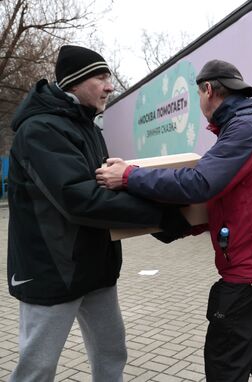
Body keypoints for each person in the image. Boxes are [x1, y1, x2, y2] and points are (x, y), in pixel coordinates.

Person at [96, 59, 252, 381]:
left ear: (207, 90)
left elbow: (200, 183)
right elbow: (239, 197)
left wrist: (129, 177)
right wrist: (195, 223)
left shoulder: (244, 128)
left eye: (197, 95)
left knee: (225, 356)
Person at [7, 45, 189, 381]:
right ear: (74, 83)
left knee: (111, 351)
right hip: (52, 272)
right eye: (101, 77)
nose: (110, 85)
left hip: (95, 268)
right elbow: (81, 199)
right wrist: (162, 216)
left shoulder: (88, 127)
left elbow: (106, 191)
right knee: (38, 367)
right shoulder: (41, 131)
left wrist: (162, 217)